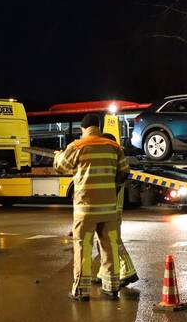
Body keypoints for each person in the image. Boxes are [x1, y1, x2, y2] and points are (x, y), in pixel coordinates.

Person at [54, 114, 129, 301]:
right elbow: (124, 173)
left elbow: (60, 168)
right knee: (110, 247)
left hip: (85, 210)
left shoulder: (77, 146)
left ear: (83, 128)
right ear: (99, 127)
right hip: (109, 210)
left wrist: (58, 156)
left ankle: (81, 291)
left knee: (83, 248)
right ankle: (111, 289)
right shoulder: (114, 147)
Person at [95, 133, 137, 293]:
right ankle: (103, 272)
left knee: (113, 240)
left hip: (111, 208)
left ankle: (129, 271)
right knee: (104, 241)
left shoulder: (115, 161)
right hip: (110, 207)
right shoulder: (116, 159)